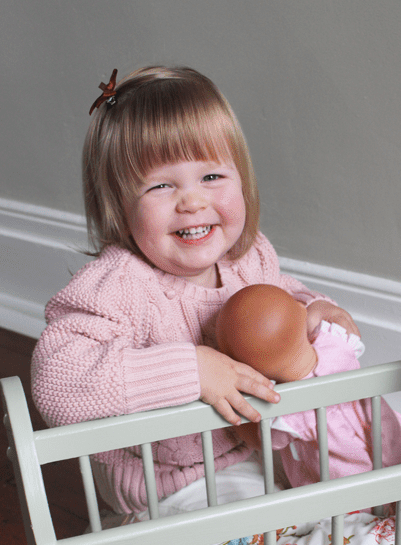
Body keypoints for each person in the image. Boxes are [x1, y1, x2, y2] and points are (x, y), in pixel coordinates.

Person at [31, 66, 359, 518]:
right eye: (161, 185)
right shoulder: (117, 287)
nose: (192, 201)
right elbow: (58, 383)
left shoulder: (249, 258)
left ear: (241, 179)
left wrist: (313, 308)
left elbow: (281, 295)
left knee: (345, 506)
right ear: (119, 206)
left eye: (212, 178)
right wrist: (192, 371)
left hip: (253, 453)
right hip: (169, 483)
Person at [216, 284, 401, 489]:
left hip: (345, 479)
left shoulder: (285, 409)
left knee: (353, 493)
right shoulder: (336, 344)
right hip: (384, 434)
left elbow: (261, 441)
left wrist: (235, 409)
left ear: (251, 370)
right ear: (303, 314)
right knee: (398, 459)